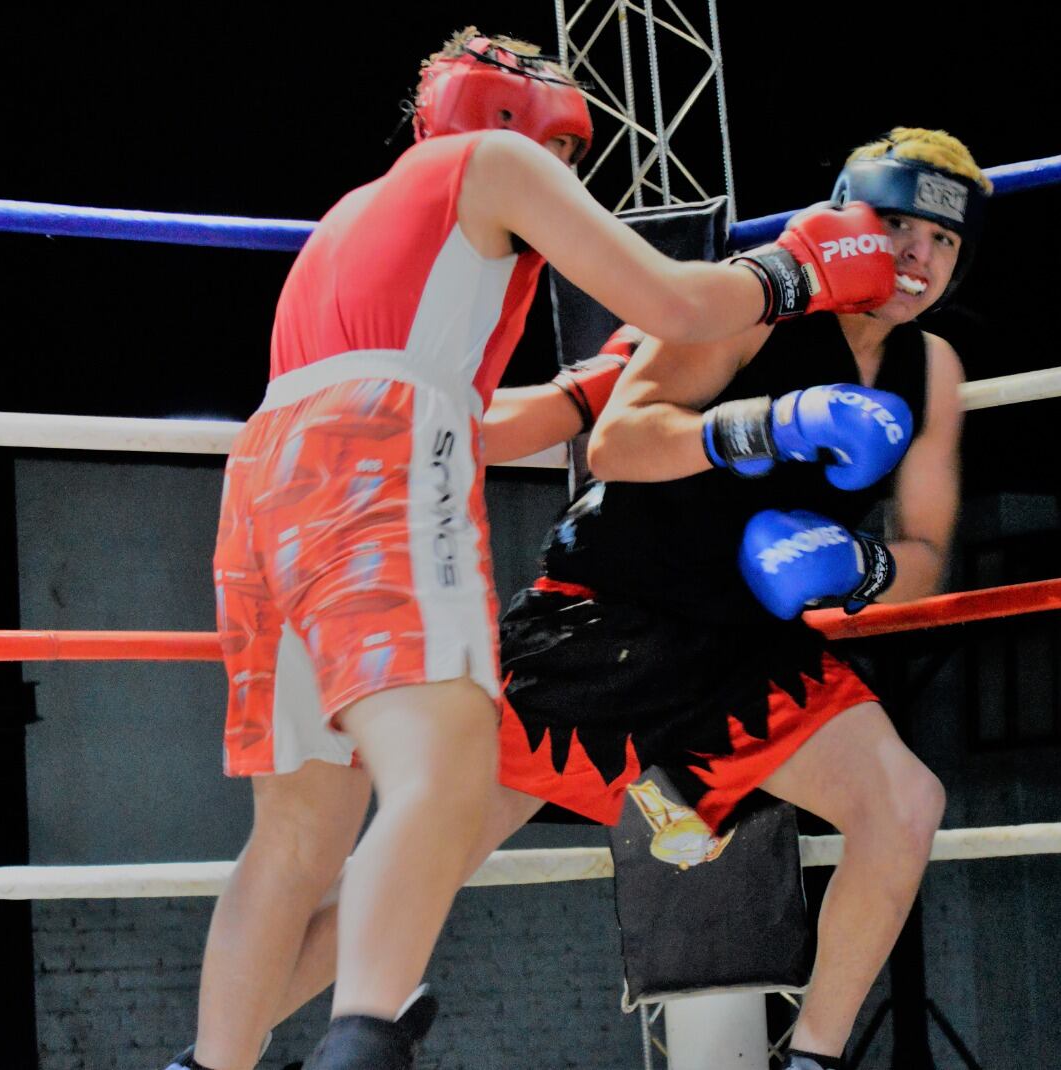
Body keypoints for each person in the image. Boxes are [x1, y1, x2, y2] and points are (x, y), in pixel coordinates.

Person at [177, 28, 898, 1070]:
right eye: (566, 152)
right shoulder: (496, 163)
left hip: (268, 471)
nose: (567, 175)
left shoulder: (354, 217)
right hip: (382, 449)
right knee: (446, 770)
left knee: (292, 838)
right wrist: (797, 268)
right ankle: (364, 1042)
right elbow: (677, 299)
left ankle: (210, 1061)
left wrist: (595, 384)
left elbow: (487, 421)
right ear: (522, 119)